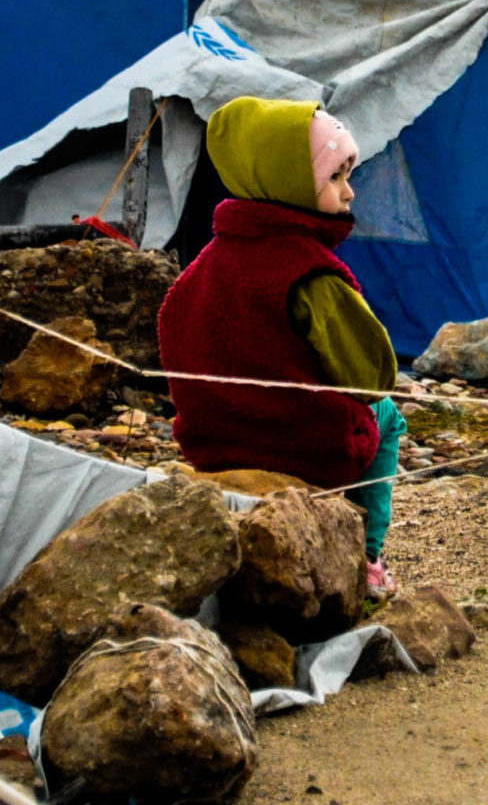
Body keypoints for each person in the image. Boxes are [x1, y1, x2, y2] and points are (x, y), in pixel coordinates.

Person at [157, 96, 405, 596]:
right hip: (304, 450)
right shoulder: (308, 273)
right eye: (335, 177)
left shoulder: (198, 272)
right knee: (388, 416)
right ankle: (367, 556)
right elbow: (372, 378)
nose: (350, 193)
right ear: (290, 182)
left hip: (214, 451)